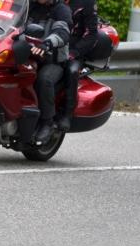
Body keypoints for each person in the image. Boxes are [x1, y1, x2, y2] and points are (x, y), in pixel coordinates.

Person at [27, 0, 72, 144]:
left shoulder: (61, 9)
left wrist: (47, 43)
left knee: (44, 79)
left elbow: (62, 32)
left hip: (51, 60)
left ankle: (47, 122)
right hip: (26, 55)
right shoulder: (28, 5)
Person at [57, 0, 99, 131]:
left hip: (73, 49)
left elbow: (91, 34)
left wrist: (74, 52)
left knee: (71, 70)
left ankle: (67, 115)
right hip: (49, 43)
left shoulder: (86, 2)